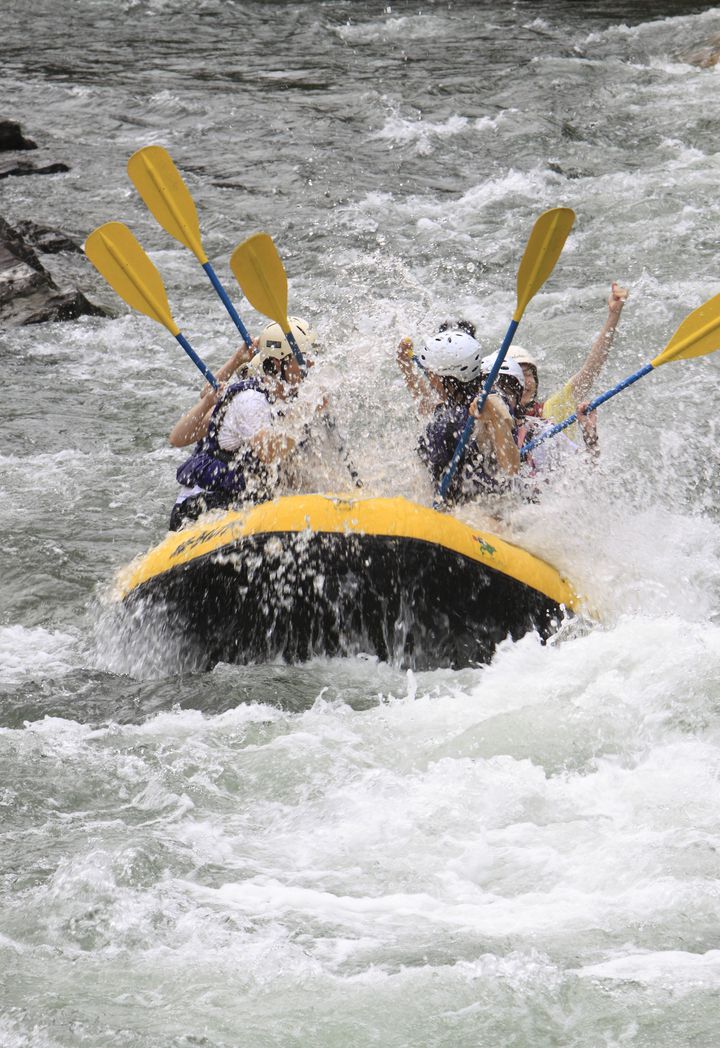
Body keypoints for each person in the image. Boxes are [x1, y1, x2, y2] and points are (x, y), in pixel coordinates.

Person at [167, 317, 323, 531]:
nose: (312, 363)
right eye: (304, 357)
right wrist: (307, 410)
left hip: (243, 501)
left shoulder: (288, 399)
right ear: (279, 363)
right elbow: (269, 452)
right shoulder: (250, 401)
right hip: (203, 506)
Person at [508, 282, 628, 444]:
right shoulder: (493, 422)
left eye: (529, 374)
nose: (526, 383)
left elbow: (590, 371)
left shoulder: (551, 410)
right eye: (519, 376)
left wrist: (613, 316)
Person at [415, 330, 524, 505]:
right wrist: (405, 365)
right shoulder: (453, 408)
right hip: (457, 502)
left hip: (488, 509)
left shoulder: (488, 405)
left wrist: (497, 420)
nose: (428, 378)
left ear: (441, 378)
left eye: (429, 374)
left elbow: (511, 470)